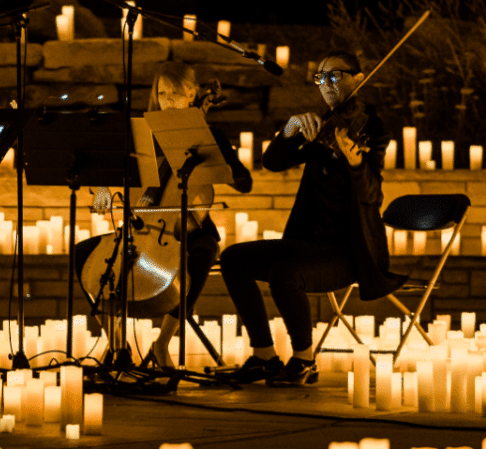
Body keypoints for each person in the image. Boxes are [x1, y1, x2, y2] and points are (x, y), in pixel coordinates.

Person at [218, 51, 405, 386]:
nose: (327, 85)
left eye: (335, 75)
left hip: (348, 252)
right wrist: (289, 130)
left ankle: (305, 361)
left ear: (358, 79)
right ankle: (264, 355)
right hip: (306, 243)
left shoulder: (371, 129)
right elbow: (273, 163)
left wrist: (355, 164)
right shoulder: (321, 125)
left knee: (284, 274)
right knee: (233, 259)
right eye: (321, 78)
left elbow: (373, 196)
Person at [141, 64, 253, 368]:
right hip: (146, 220)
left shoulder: (211, 135)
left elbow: (245, 183)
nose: (165, 100)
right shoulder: (147, 133)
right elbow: (129, 176)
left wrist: (223, 165)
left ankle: (162, 343)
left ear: (191, 93)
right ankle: (117, 346)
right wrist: (103, 192)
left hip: (187, 225)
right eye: (160, 93)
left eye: (173, 92)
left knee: (203, 251)